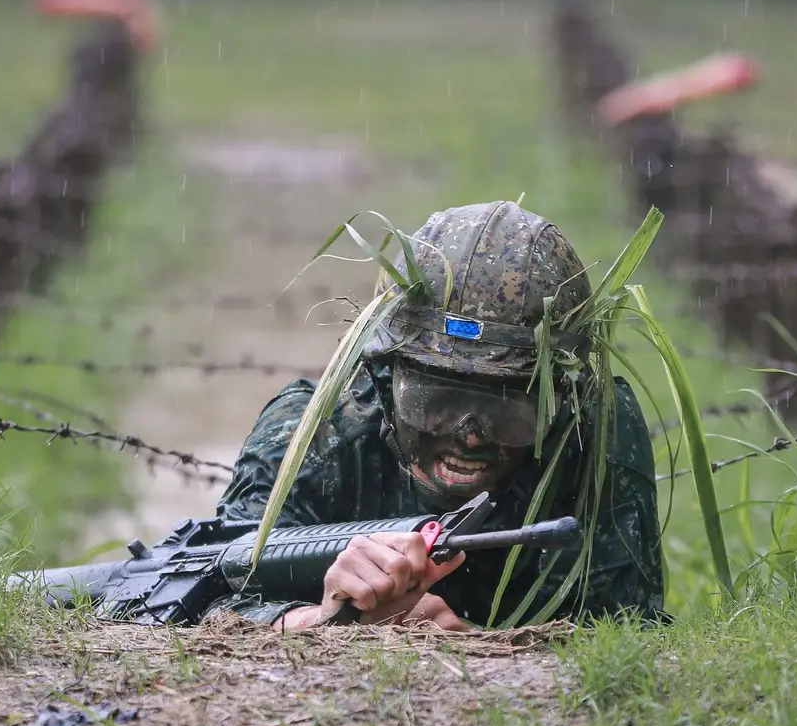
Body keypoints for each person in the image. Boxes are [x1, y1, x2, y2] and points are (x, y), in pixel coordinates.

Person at [211, 200, 665, 631]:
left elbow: (625, 626)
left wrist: (470, 643)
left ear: (561, 397)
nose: (470, 437)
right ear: (388, 375)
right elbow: (204, 588)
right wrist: (318, 622)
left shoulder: (591, 433)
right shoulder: (315, 435)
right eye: (436, 400)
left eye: (506, 408)